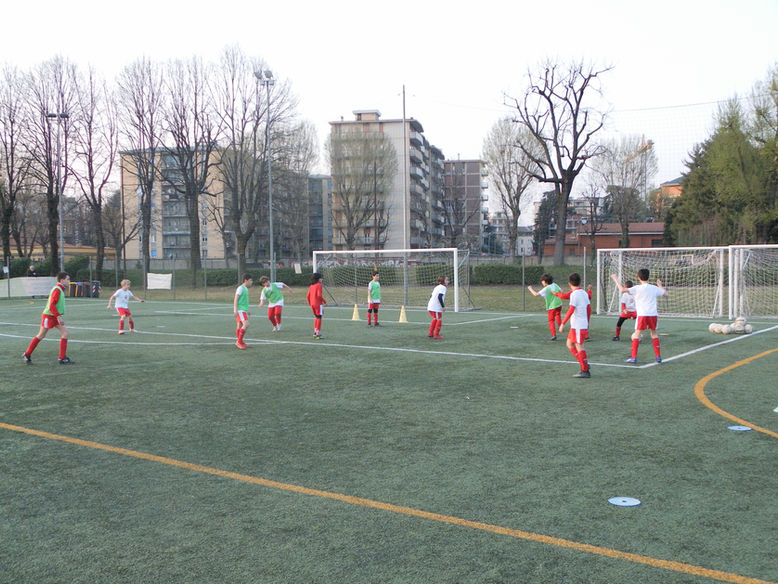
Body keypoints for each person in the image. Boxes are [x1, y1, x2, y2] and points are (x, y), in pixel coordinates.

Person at [611, 270, 668, 364]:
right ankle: (658, 357)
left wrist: (615, 279)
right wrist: (660, 285)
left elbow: (622, 290)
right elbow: (666, 294)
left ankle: (633, 357)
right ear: (649, 278)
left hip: (642, 315)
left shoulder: (636, 288)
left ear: (638, 278)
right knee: (654, 334)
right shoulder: (654, 288)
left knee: (637, 334)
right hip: (653, 314)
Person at [22, 272, 75, 365]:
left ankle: (62, 358)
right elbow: (51, 305)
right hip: (49, 316)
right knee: (41, 335)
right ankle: (27, 354)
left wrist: (58, 316)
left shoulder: (60, 289)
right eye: (68, 279)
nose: (69, 281)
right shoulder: (57, 289)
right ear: (62, 280)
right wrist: (58, 316)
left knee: (65, 333)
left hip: (54, 316)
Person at [557, 272, 590, 378]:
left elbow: (571, 309)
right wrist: (587, 322)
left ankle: (585, 371)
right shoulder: (584, 293)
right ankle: (584, 364)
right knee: (569, 344)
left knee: (579, 346)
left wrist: (562, 323)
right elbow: (589, 309)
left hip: (578, 325)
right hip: (579, 325)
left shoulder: (574, 294)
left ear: (569, 284)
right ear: (580, 282)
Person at [527, 274, 563, 340]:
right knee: (558, 315)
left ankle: (554, 335)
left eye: (542, 281)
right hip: (559, 304)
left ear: (545, 282)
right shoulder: (555, 284)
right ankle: (560, 326)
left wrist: (530, 289)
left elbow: (536, 294)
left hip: (552, 306)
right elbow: (561, 291)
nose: (542, 282)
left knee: (551, 320)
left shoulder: (546, 288)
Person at [233, 273, 253, 349]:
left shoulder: (246, 289)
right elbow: (236, 299)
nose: (252, 282)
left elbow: (244, 301)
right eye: (250, 280)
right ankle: (239, 342)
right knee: (246, 324)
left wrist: (247, 310)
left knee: (240, 325)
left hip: (243, 310)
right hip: (240, 310)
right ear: (246, 280)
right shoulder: (240, 288)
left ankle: (240, 342)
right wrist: (235, 310)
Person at [427, 275, 448, 339]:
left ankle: (430, 333)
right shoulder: (443, 288)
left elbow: (431, 296)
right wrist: (443, 306)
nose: (448, 281)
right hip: (435, 307)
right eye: (446, 280)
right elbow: (439, 297)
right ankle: (436, 334)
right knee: (439, 319)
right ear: (443, 281)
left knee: (435, 319)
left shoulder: (437, 287)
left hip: (431, 306)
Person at [306, 272, 326, 339]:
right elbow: (319, 295)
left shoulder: (311, 286)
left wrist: (310, 303)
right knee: (319, 317)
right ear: (318, 279)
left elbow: (307, 296)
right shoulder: (319, 285)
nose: (322, 279)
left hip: (312, 304)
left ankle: (315, 331)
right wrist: (324, 301)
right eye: (321, 278)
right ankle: (317, 333)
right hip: (318, 304)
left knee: (316, 317)